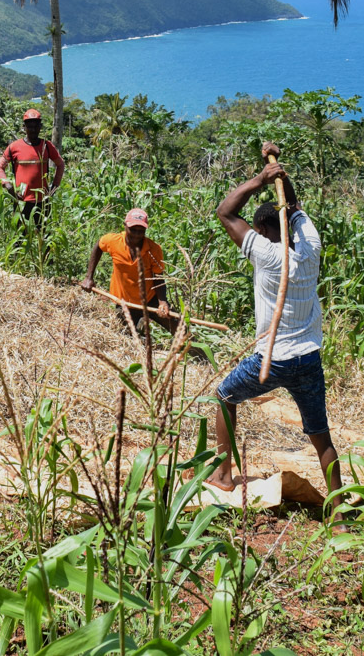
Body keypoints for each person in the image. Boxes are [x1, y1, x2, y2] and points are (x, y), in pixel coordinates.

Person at [208, 142, 341, 513]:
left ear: (264, 227)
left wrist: (260, 178)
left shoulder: (265, 254)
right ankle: (341, 510)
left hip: (274, 358)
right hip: (308, 360)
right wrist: (279, 174)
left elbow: (225, 211)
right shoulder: (310, 248)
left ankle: (222, 475)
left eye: (259, 225)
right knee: (321, 436)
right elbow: (295, 208)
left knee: (224, 396)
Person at [80, 208, 179, 334]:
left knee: (179, 328)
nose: (137, 234)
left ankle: (197, 352)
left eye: (141, 231)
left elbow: (158, 277)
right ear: (125, 225)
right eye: (133, 230)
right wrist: (89, 277)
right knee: (126, 338)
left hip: (150, 300)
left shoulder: (153, 250)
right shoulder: (113, 241)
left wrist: (162, 302)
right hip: (124, 303)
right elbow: (98, 246)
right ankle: (141, 324)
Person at [0, 109, 64, 228]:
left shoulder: (47, 146)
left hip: (42, 202)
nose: (33, 130)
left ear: (40, 127)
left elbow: (60, 164)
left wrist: (54, 186)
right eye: (29, 126)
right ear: (24, 127)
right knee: (20, 238)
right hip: (21, 201)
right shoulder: (14, 147)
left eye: (36, 126)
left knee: (44, 238)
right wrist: (6, 183)